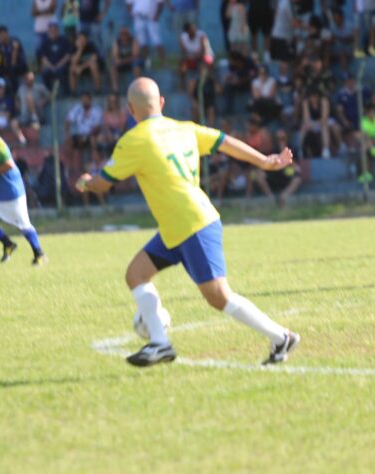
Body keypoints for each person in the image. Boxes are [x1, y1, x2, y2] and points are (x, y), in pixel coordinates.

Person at [74, 77, 300, 367]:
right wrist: (266, 162)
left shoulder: (133, 141)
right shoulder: (185, 128)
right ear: (162, 103)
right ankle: (160, 343)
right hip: (177, 226)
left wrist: (86, 182)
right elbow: (225, 142)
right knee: (136, 275)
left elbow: (103, 184)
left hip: (192, 225)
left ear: (131, 109)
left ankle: (281, 337)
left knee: (219, 297)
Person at [0, 114, 46, 265]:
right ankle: (7, 243)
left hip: (10, 192)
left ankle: (39, 253)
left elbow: (9, 165)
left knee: (24, 225)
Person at [0, 77, 27, 146]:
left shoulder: (8, 100)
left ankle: (22, 139)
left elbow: (7, 115)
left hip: (5, 120)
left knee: (13, 123)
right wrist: (1, 113)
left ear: (4, 89)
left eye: (1, 88)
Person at [37, 19, 73, 91]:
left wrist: (58, 65)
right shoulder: (45, 42)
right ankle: (48, 93)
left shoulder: (64, 40)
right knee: (45, 73)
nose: (53, 31)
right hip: (50, 66)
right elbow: (43, 58)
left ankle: (67, 92)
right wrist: (51, 66)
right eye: (51, 30)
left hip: (62, 65)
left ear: (57, 30)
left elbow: (68, 55)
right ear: (48, 31)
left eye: (54, 30)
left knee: (61, 72)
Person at [110, 26, 143, 93]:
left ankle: (138, 87)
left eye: (125, 34)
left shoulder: (134, 41)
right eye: (122, 34)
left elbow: (135, 56)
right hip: (123, 62)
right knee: (113, 66)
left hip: (132, 62)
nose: (123, 36)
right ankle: (115, 88)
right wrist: (119, 61)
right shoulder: (117, 42)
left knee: (136, 65)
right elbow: (115, 55)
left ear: (128, 34)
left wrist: (122, 61)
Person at [178, 22, 211, 91]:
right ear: (187, 31)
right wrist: (190, 57)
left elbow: (204, 52)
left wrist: (194, 57)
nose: (194, 30)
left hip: (203, 58)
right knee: (182, 65)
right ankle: (182, 84)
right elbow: (183, 52)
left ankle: (204, 84)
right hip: (191, 59)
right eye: (191, 29)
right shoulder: (183, 37)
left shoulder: (201, 36)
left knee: (204, 64)